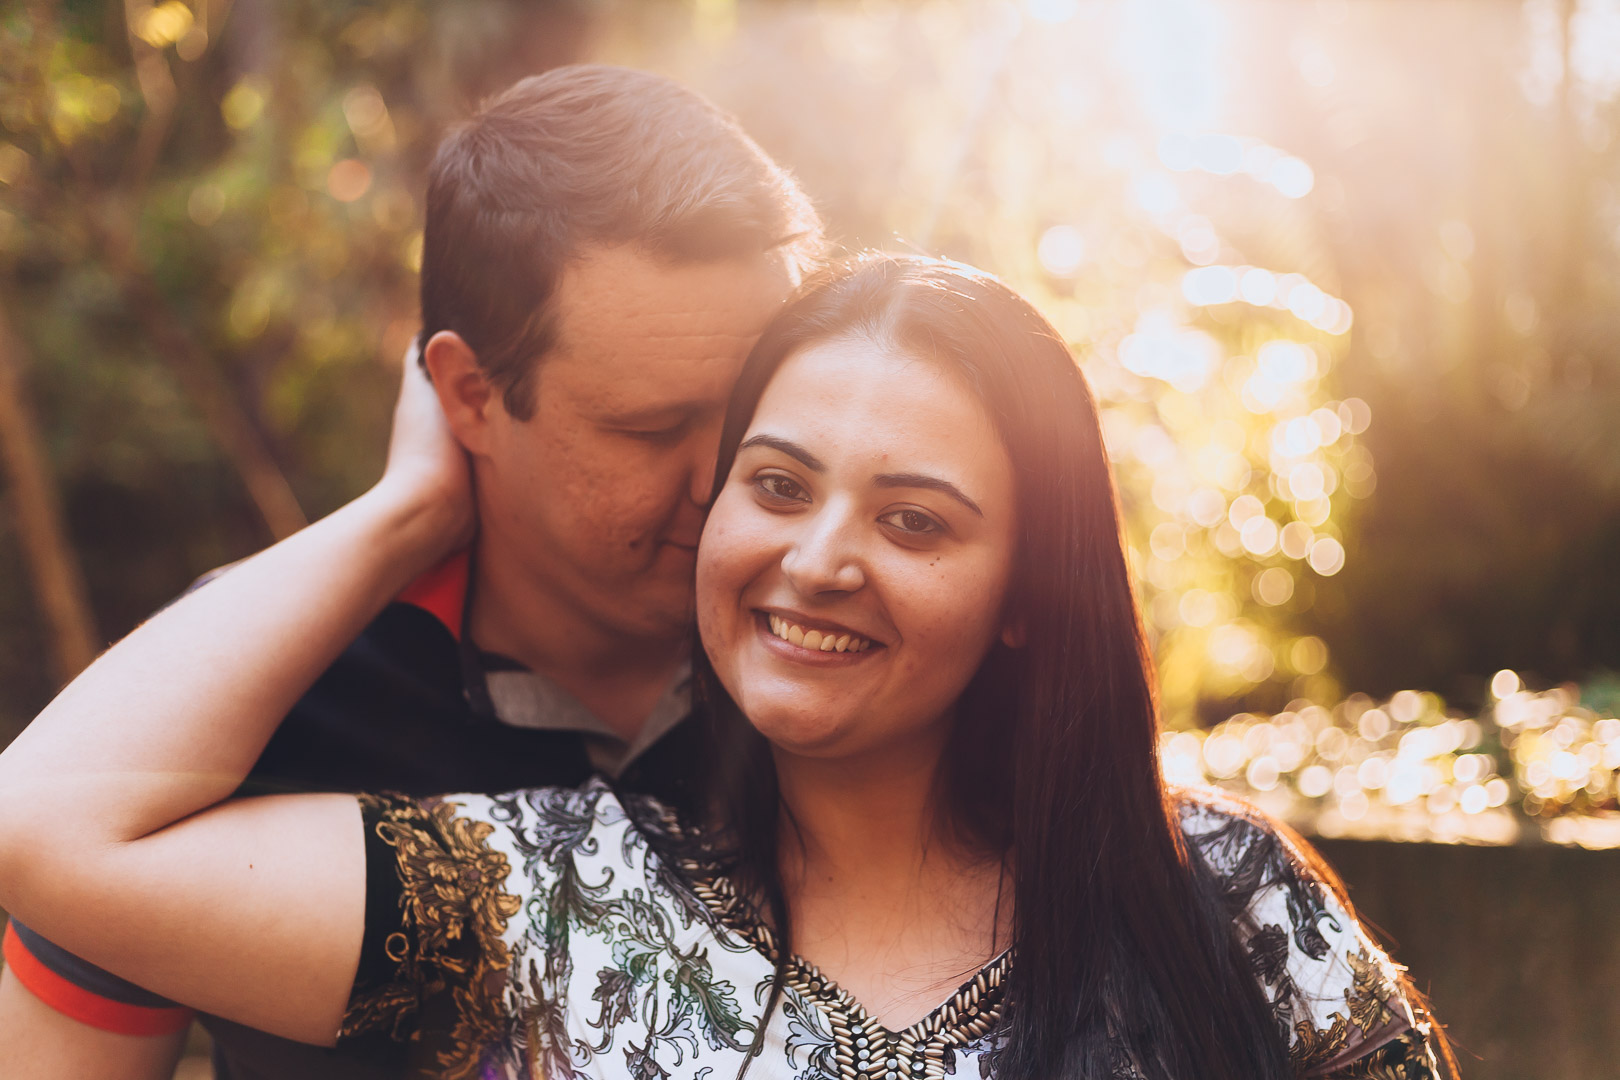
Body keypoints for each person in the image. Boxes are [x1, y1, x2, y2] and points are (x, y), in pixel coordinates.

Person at [0, 255, 1451, 1080]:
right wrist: (409, 514)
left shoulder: (1227, 903)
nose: (820, 557)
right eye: (776, 485)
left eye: (912, 520)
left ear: (1026, 596)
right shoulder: (556, 898)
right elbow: (49, 828)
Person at [0, 64, 820, 1080]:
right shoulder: (251, 685)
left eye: (752, 415)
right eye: (650, 429)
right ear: (469, 396)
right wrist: (406, 511)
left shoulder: (850, 665)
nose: (724, 479)